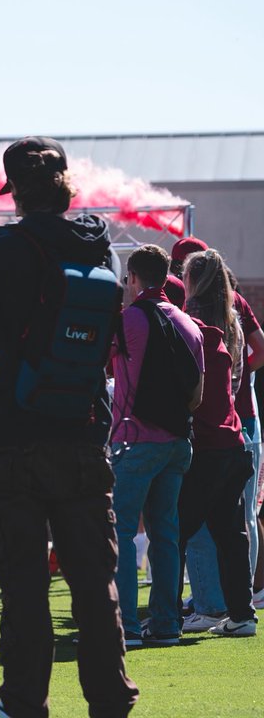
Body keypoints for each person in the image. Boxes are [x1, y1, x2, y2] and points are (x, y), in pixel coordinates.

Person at [0, 137, 137, 718]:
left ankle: (23, 706)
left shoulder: (5, 248)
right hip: (86, 427)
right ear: (65, 185)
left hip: (18, 429)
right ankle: (111, 703)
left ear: (16, 191)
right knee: (93, 583)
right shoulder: (99, 246)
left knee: (25, 584)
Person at [109, 244, 204, 646]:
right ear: (167, 276)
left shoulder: (127, 319)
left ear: (132, 278)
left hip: (134, 440)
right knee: (166, 535)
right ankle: (166, 625)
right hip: (177, 442)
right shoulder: (189, 323)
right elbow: (196, 397)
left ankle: (126, 626)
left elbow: (104, 368)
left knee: (122, 535)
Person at [178, 249, 257, 637]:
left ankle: (167, 616)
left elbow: (191, 391)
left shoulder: (190, 324)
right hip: (233, 434)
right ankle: (241, 614)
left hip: (206, 440)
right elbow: (236, 382)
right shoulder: (233, 323)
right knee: (231, 532)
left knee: (175, 531)